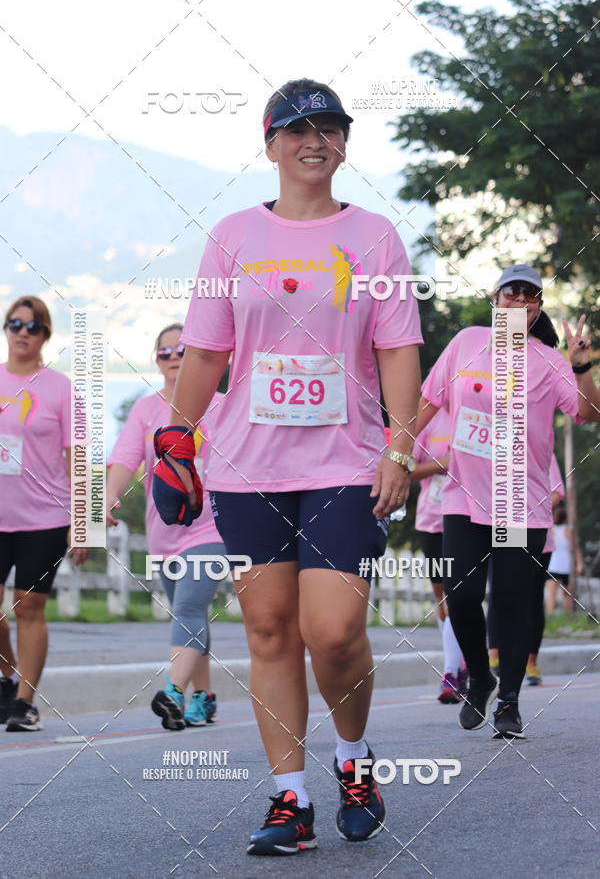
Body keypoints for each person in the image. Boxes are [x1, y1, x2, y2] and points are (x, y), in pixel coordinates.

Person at [152, 78, 423, 855]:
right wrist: (176, 440)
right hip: (247, 467)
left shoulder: (374, 236)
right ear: (270, 144)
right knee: (269, 630)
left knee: (333, 632)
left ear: (344, 145)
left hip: (345, 462)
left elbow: (398, 350)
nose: (315, 142)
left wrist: (399, 446)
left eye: (329, 129)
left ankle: (353, 761)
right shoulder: (233, 236)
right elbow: (207, 352)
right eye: (298, 129)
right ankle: (290, 799)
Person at [415, 263, 600, 739]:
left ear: (537, 307)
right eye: (511, 292)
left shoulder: (549, 361)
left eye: (529, 294)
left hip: (519, 501)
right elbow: (428, 402)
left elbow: (589, 412)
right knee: (461, 595)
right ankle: (480, 677)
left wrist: (582, 367)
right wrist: (394, 454)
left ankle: (510, 702)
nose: (519, 300)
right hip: (463, 496)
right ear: (495, 299)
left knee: (512, 601)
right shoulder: (466, 343)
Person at [107, 323, 225, 729]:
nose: (174, 357)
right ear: (156, 361)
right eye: (165, 352)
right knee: (190, 613)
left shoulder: (223, 405)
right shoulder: (146, 410)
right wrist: (109, 494)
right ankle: (204, 697)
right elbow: (125, 457)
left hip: (213, 530)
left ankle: (173, 691)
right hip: (165, 534)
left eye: (183, 350)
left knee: (189, 606)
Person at [0, 295, 88, 730]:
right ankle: (8, 676)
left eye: (33, 326)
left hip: (45, 517)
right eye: (15, 324)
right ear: (6, 329)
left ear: (45, 335)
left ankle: (24, 702)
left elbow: (79, 457)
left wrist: (84, 524)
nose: (23, 332)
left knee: (28, 605)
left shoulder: (61, 388)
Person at [488, 453, 565, 685]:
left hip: (536, 530)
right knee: (499, 591)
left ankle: (531, 662)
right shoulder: (497, 446)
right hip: (506, 528)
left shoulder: (544, 450)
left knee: (532, 597)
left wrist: (529, 507)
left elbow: (556, 492)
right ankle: (495, 658)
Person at [411, 408, 467, 703]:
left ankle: (451, 672)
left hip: (469, 519)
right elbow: (407, 468)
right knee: (442, 597)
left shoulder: (478, 410)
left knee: (458, 594)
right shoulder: (429, 418)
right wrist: (441, 464)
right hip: (432, 520)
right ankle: (459, 661)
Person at [546, 500, 584, 614]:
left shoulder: (550, 530)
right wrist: (579, 563)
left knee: (551, 595)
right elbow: (576, 548)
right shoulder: (569, 531)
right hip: (567, 567)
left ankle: (550, 616)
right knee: (567, 595)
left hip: (552, 566)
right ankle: (567, 617)